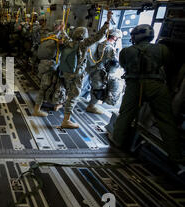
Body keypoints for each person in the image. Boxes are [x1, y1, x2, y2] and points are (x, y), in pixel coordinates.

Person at [111, 25, 184, 163]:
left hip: (135, 85)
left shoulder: (126, 51)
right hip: (157, 86)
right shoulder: (162, 49)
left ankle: (117, 142)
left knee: (126, 115)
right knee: (166, 120)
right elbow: (171, 66)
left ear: (137, 36)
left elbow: (123, 65)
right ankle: (176, 155)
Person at [58, 11, 112, 128]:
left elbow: (63, 34)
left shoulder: (68, 42)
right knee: (74, 96)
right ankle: (66, 120)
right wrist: (107, 22)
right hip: (77, 74)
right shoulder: (83, 44)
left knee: (68, 92)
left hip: (66, 72)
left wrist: (62, 29)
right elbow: (99, 36)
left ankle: (62, 104)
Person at [33, 19, 67, 116]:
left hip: (43, 65)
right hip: (50, 66)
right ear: (59, 27)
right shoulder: (57, 37)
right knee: (45, 87)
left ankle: (51, 102)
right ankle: (37, 110)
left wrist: (61, 30)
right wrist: (62, 30)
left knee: (49, 85)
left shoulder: (48, 35)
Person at [86, 28, 123, 114]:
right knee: (98, 88)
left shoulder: (101, 44)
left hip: (95, 68)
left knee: (95, 86)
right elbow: (112, 62)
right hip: (100, 71)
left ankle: (92, 102)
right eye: (117, 38)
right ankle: (91, 106)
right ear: (114, 37)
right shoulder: (109, 47)